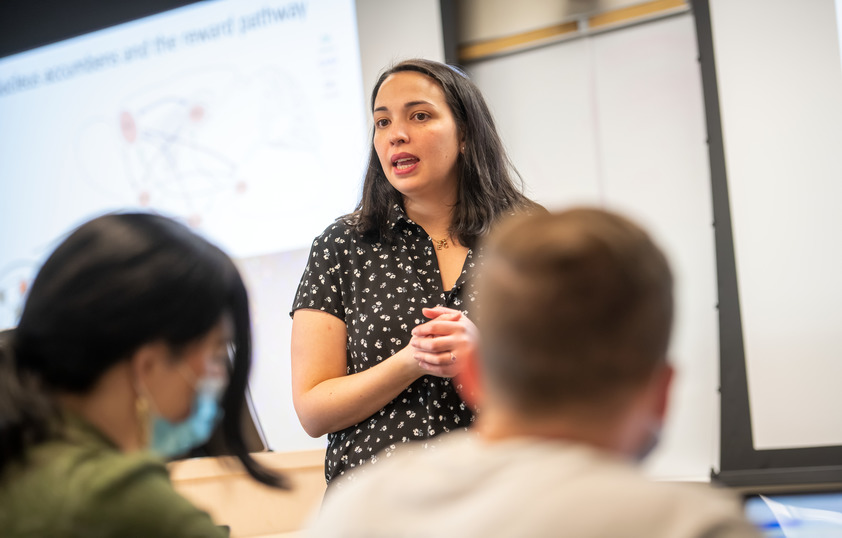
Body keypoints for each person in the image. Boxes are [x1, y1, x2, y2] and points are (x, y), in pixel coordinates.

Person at [308, 208, 761, 537]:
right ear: (662, 394)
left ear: (472, 376)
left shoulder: (355, 512)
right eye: (382, 121)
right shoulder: (692, 526)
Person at [290, 58, 538, 485]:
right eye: (382, 122)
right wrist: (411, 361)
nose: (396, 134)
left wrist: (483, 361)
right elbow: (314, 409)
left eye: (419, 116)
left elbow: (569, 392)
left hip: (501, 500)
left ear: (465, 134)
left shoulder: (530, 237)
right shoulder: (342, 244)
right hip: (376, 509)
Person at [0, 213, 289, 537]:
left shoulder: (22, 461)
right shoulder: (116, 499)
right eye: (216, 355)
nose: (219, 377)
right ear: (148, 366)